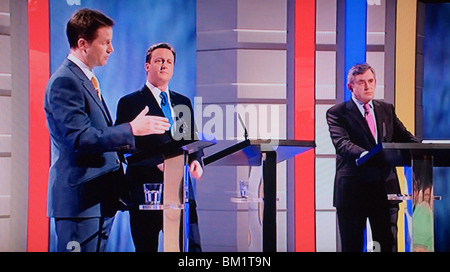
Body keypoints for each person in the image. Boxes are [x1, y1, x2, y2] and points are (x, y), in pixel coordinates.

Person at [44, 8, 170, 252]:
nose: (111, 49)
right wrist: (131, 128)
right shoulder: (65, 82)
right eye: (106, 43)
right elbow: (79, 139)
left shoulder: (86, 80)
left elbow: (101, 137)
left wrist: (145, 144)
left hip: (99, 201)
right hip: (81, 204)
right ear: (83, 43)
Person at [115, 42, 204, 252]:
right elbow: (123, 147)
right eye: (159, 60)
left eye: (169, 61)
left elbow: (192, 140)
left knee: (190, 249)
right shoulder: (130, 102)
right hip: (146, 190)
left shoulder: (183, 102)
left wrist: (196, 161)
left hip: (181, 191)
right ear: (147, 66)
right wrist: (159, 163)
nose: (164, 65)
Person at [326, 63, 420, 252]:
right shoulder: (337, 113)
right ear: (350, 87)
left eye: (370, 81)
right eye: (361, 82)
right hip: (353, 191)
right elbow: (342, 144)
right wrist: (368, 155)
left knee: (387, 245)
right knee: (352, 246)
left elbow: (405, 137)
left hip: (386, 189)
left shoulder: (386, 109)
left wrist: (426, 149)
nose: (367, 86)